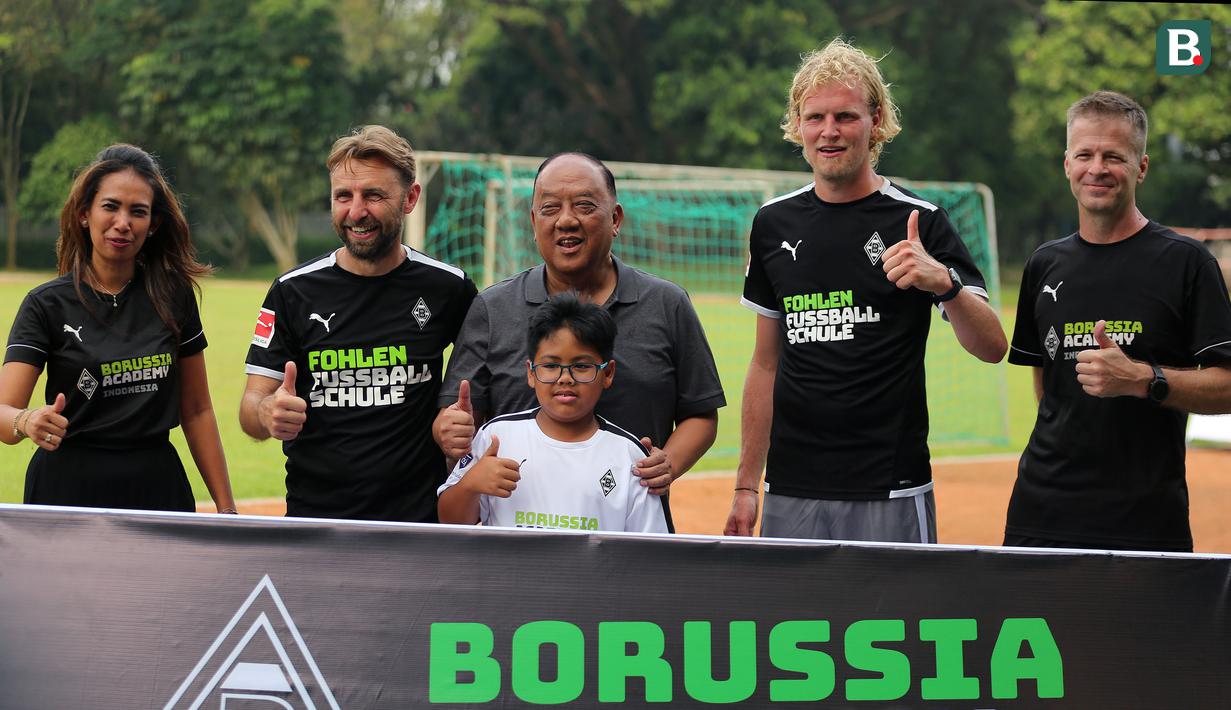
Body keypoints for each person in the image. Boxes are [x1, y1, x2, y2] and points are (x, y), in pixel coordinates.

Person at [725, 38, 1007, 543]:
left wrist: (944, 283)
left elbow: (992, 346)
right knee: (792, 599)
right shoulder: (772, 223)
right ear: (798, 125)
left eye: (845, 116)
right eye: (815, 117)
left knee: (897, 601)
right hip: (791, 485)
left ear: (875, 121)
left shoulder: (921, 220)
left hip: (891, 486)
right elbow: (765, 364)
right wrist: (747, 484)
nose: (829, 131)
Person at [432, 152, 725, 510]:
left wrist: (669, 464)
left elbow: (700, 412)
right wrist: (450, 429)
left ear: (615, 218)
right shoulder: (493, 308)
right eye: (550, 208)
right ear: (533, 221)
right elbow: (458, 417)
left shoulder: (666, 304)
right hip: (519, 528)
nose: (566, 220)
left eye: (584, 206)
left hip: (628, 527)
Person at [1005, 91, 1231, 553]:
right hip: (1040, 514)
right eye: (1084, 155)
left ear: (1141, 167)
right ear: (1066, 164)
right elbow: (1046, 385)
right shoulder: (1044, 264)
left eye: (1114, 156)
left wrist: (1144, 380)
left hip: (1145, 520)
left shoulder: (1186, 263)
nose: (1097, 168)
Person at [240, 125, 477, 522]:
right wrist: (267, 413)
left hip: (417, 522)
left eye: (373, 195)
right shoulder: (292, 291)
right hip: (316, 523)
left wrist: (459, 424)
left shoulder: (448, 288)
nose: (356, 212)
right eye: (343, 196)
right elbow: (250, 407)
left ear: (410, 198)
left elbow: (487, 385)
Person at [0, 144, 235, 513]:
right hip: (66, 493)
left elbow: (197, 410)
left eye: (138, 211)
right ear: (84, 214)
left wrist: (227, 509)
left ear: (153, 224)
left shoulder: (174, 296)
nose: (123, 222)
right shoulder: (45, 304)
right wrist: (26, 420)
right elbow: (3, 411)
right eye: (110, 206)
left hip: (156, 491)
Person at [438, 293, 668, 533]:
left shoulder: (629, 456)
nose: (565, 378)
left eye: (581, 366)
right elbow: (450, 521)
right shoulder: (496, 438)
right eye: (550, 366)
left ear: (608, 373)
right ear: (530, 372)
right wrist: (471, 484)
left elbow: (650, 546)